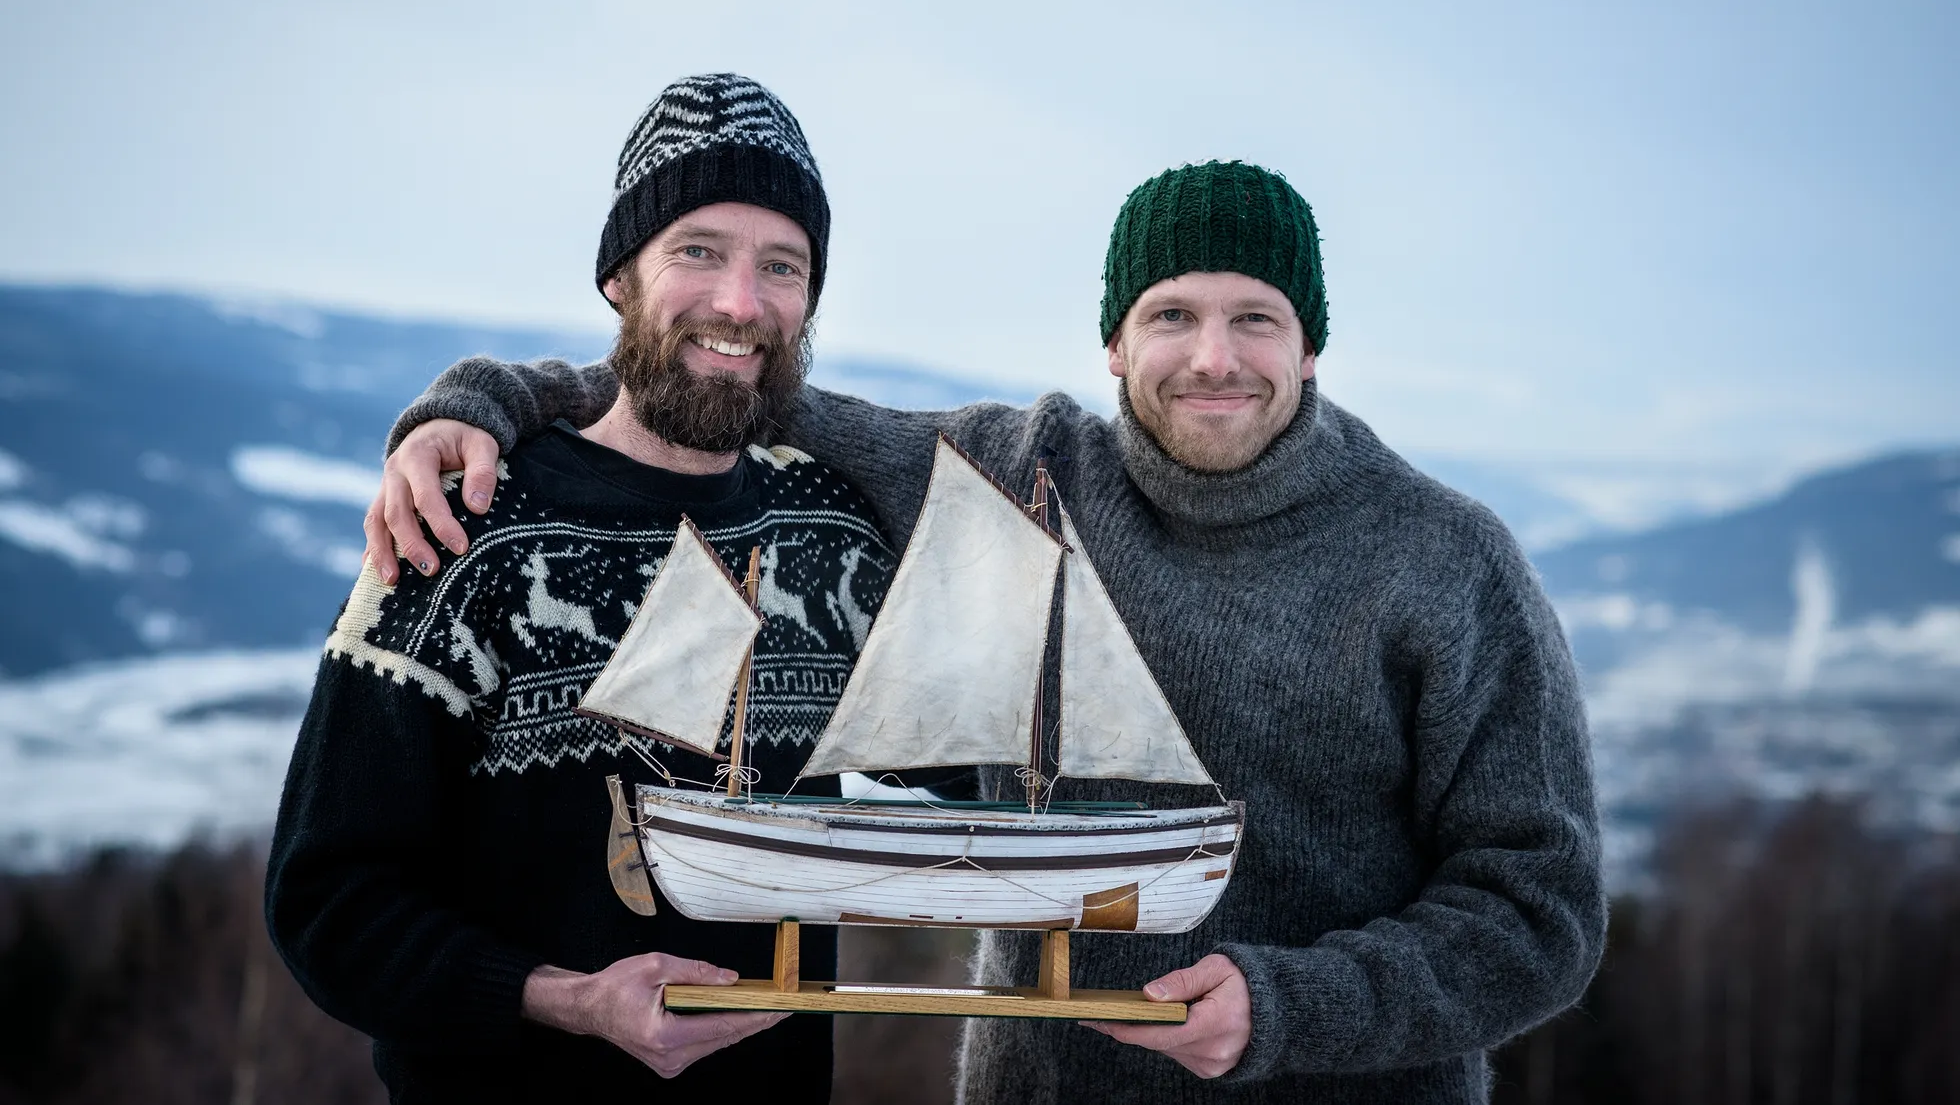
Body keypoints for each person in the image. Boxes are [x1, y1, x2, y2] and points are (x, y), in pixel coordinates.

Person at [372, 160, 1607, 1104]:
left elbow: (1539, 915)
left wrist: (1291, 1005)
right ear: (1114, 340)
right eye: (1172, 316)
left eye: (1256, 319)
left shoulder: (1444, 561)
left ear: (1311, 342)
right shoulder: (1023, 473)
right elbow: (718, 386)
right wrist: (480, 399)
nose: (1213, 358)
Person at [266, 74, 904, 1102]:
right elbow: (328, 902)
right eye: (698, 250)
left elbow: (972, 772)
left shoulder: (836, 533)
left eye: (780, 265)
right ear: (620, 274)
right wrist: (569, 998)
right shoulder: (465, 524)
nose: (741, 303)